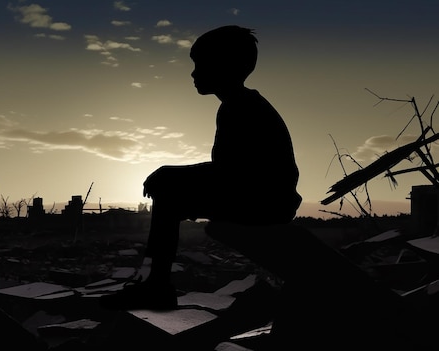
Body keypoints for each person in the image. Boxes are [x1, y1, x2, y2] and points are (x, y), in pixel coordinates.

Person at [99, 25, 302, 311]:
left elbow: (231, 173)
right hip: (265, 198)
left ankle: (157, 285)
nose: (193, 74)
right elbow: (230, 172)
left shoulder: (241, 108)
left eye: (200, 65)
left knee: (168, 197)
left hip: (267, 202)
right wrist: (175, 173)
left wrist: (171, 172)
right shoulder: (240, 105)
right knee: (170, 193)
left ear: (226, 66)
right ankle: (155, 283)